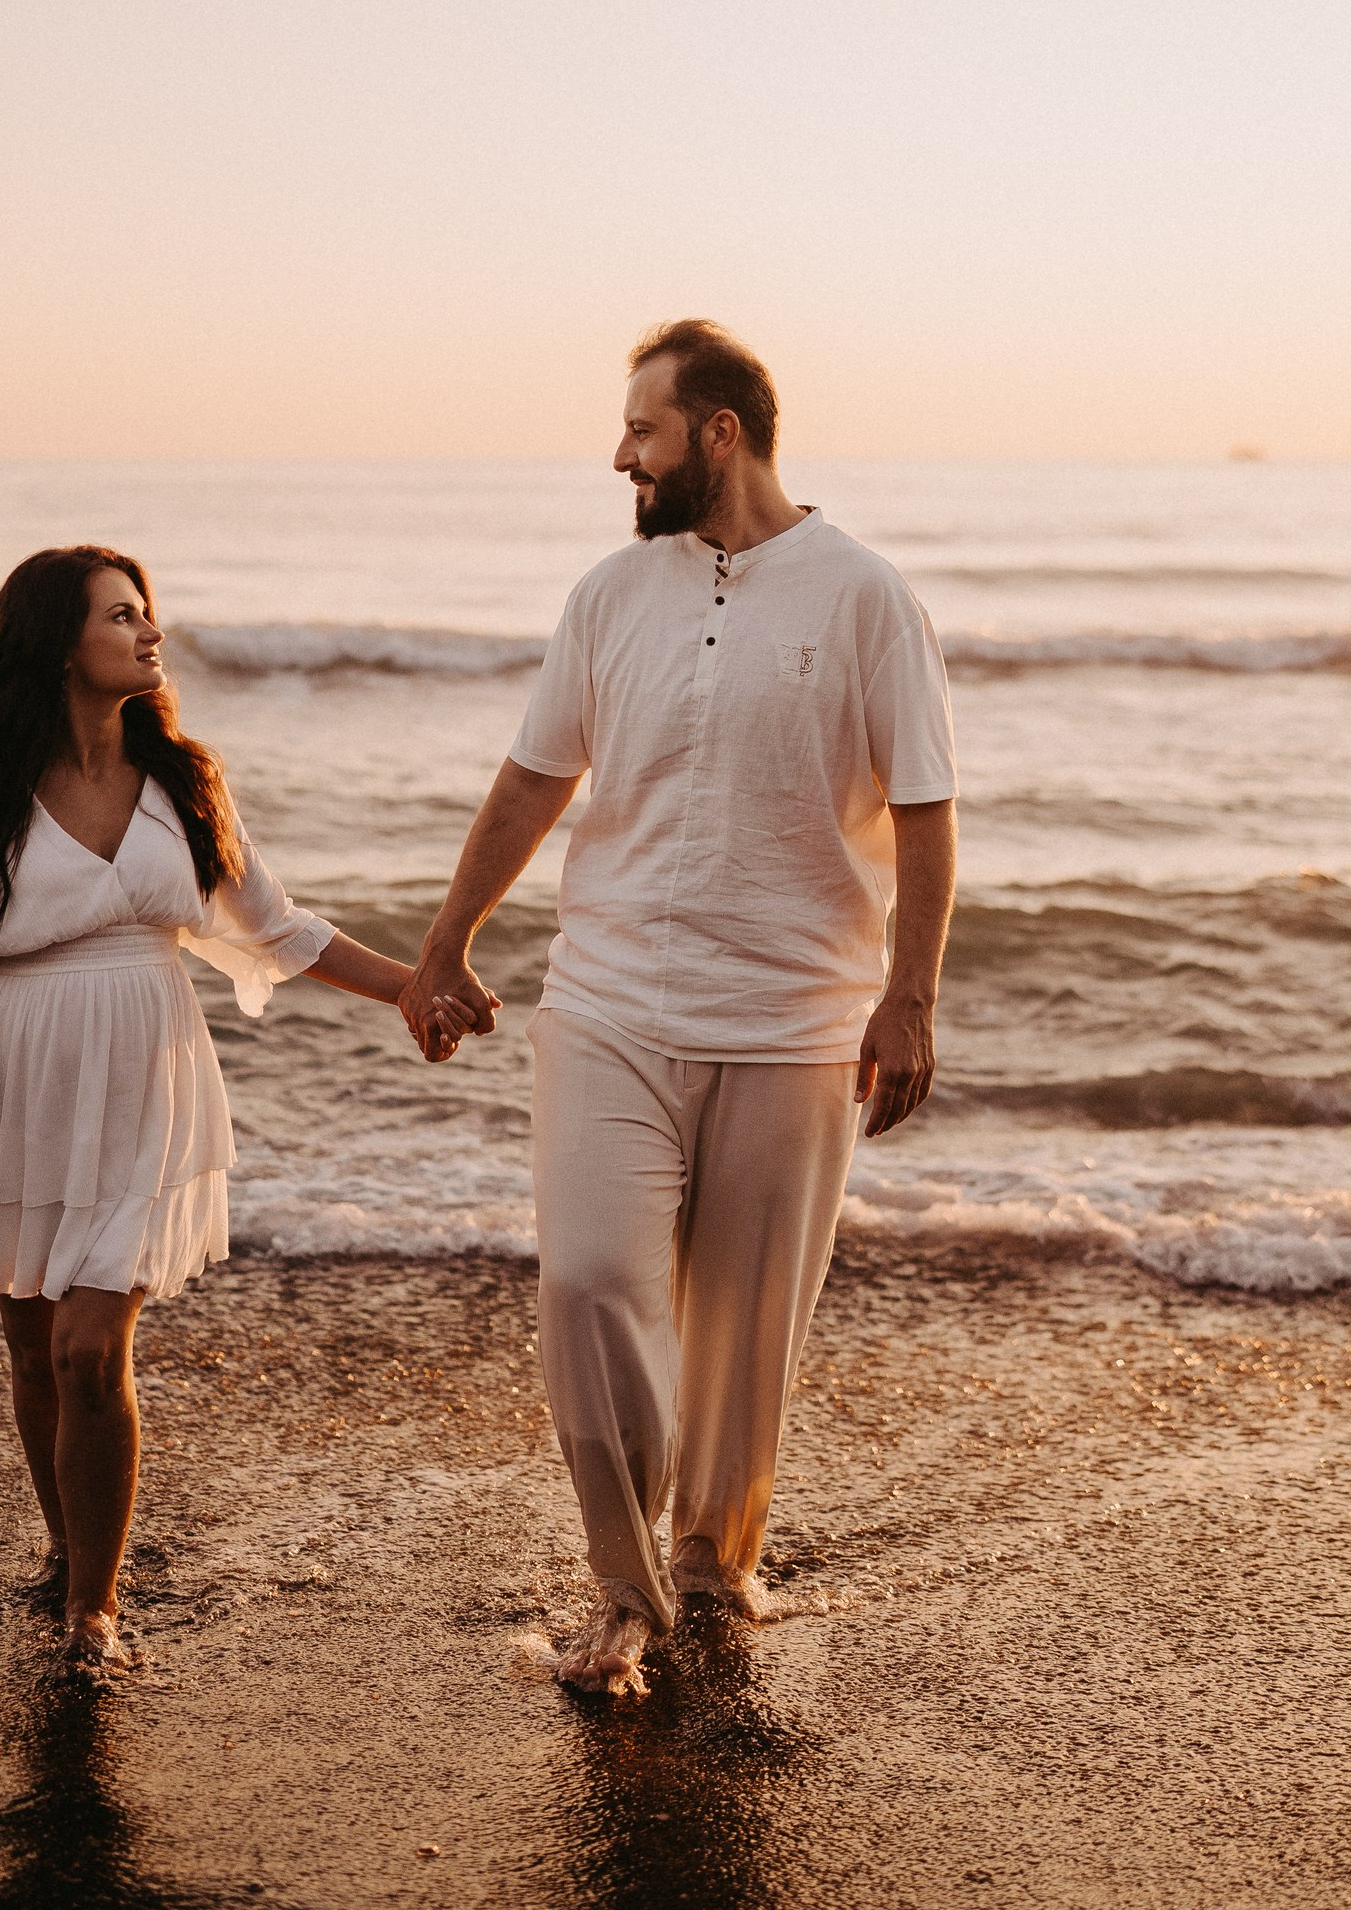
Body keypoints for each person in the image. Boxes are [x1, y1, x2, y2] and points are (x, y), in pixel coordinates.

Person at [399, 321, 958, 1696]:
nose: (619, 454)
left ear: (717, 432)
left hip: (794, 1019)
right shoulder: (609, 593)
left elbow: (931, 812)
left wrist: (910, 999)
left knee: (744, 1332)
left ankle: (712, 1564)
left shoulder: (863, 594)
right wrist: (445, 940)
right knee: (591, 1283)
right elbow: (535, 779)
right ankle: (625, 1592)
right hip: (606, 1007)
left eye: (640, 429)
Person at [0, 545, 446, 1667]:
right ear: (61, 640)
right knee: (36, 1349)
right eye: (121, 617)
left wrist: (412, 984)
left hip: (145, 1074)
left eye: (148, 616)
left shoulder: (183, 781)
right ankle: (69, 1548)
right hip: (19, 1082)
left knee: (95, 1349)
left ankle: (92, 1609)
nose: (151, 634)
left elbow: (280, 928)